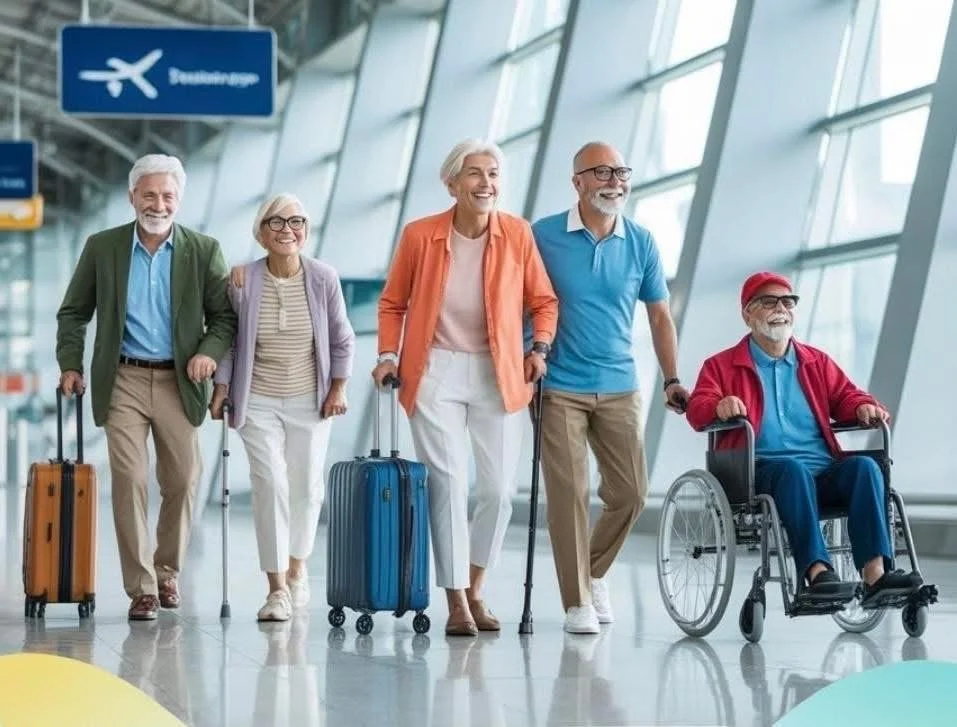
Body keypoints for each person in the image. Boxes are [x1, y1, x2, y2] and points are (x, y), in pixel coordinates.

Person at [373, 138, 558, 636]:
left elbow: (544, 301)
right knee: (450, 483)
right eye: (475, 173)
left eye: (494, 173)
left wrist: (538, 348)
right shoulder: (420, 236)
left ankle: (476, 587)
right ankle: (455, 600)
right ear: (452, 183)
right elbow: (393, 303)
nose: (486, 183)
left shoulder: (517, 235)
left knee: (498, 490)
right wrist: (388, 356)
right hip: (435, 370)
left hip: (499, 372)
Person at [56, 153, 237, 621]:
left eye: (168, 195)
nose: (159, 203)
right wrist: (71, 363)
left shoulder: (203, 249)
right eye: (150, 194)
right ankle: (142, 588)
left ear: (179, 199)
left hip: (181, 379)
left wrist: (208, 354)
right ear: (132, 196)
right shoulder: (103, 247)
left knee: (181, 479)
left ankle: (167, 571)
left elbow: (223, 318)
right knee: (130, 480)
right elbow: (74, 312)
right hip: (124, 378)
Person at [531, 141, 689, 634]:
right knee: (568, 492)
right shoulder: (542, 236)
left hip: (620, 384)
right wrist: (528, 351)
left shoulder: (640, 240)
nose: (613, 180)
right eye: (601, 172)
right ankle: (577, 600)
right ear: (576, 181)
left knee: (631, 493)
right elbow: (523, 301)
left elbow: (660, 316)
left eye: (620, 171)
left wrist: (672, 378)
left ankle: (592, 571)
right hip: (558, 385)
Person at [685, 271, 921, 600]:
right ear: (747, 314)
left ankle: (875, 575)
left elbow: (847, 396)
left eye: (787, 301)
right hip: (762, 471)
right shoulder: (721, 366)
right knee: (793, 470)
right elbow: (697, 409)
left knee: (866, 467)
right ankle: (817, 572)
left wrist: (863, 407)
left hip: (822, 469)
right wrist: (718, 406)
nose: (780, 308)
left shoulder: (815, 362)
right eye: (768, 302)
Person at [210, 193, 355, 622]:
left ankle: (297, 566)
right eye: (276, 222)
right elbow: (232, 341)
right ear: (260, 232)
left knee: (307, 486)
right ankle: (276, 588)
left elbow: (342, 339)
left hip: (311, 399)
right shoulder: (241, 280)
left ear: (306, 231)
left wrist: (339, 388)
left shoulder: (324, 278)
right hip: (257, 399)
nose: (287, 229)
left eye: (296, 221)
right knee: (270, 482)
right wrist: (221, 387)